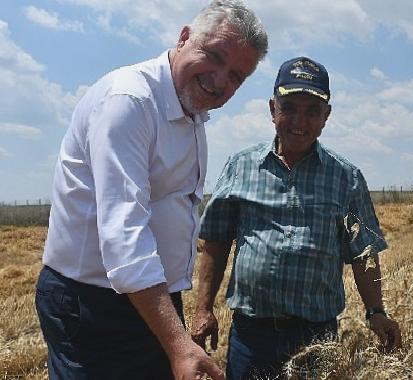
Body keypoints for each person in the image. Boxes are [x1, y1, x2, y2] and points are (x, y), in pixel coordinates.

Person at [34, 1, 268, 379]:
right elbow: (125, 236)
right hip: (93, 305)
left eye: (237, 77)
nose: (220, 81)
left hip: (148, 298)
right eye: (214, 56)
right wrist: (177, 343)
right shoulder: (130, 103)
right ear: (184, 37)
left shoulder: (190, 112)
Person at [192, 56, 402, 379]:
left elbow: (364, 253)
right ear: (272, 108)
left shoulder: (346, 178)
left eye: (312, 111)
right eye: (289, 107)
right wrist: (203, 309)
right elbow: (217, 242)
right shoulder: (241, 166)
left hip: (316, 340)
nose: (299, 121)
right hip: (252, 337)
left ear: (326, 116)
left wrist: (376, 312)